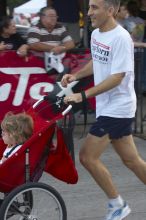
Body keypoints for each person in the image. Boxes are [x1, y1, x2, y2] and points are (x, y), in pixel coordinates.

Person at [61, 0, 146, 219]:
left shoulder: (121, 37)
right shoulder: (98, 34)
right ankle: (117, 204)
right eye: (89, 7)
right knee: (132, 161)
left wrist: (82, 95)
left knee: (87, 157)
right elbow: (97, 60)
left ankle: (118, 205)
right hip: (107, 107)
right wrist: (76, 75)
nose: (89, 13)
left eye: (94, 8)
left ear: (111, 10)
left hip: (118, 108)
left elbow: (117, 77)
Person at [27, 6, 75, 73]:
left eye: (55, 16)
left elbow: (71, 43)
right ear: (42, 17)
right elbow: (33, 44)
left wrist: (62, 48)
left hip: (58, 64)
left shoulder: (60, 27)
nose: (54, 18)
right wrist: (53, 48)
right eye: (51, 16)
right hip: (38, 66)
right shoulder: (35, 27)